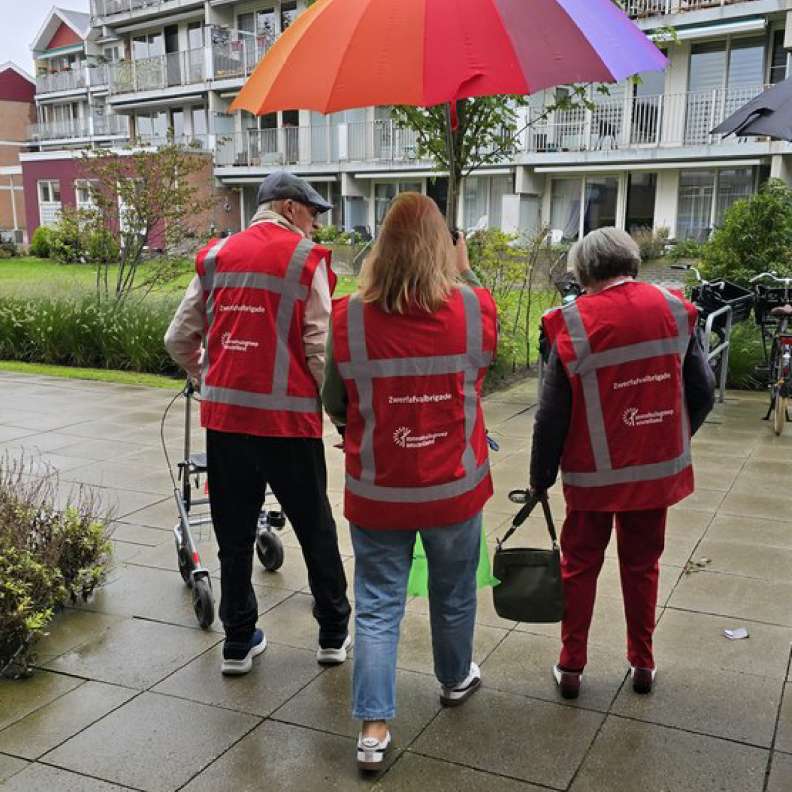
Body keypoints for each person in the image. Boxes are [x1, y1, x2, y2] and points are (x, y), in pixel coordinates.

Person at [322, 193, 498, 771]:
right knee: (453, 593)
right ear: (441, 247)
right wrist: (465, 268)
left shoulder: (347, 319)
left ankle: (374, 729)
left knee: (375, 606)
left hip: (379, 490)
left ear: (381, 247)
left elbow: (337, 403)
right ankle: (453, 679)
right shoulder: (473, 310)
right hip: (454, 487)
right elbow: (484, 360)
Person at [165, 171, 351, 676]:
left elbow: (179, 338)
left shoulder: (216, 256)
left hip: (226, 426)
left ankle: (238, 643)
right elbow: (319, 349)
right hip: (288, 425)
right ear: (289, 208)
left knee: (233, 533)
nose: (315, 226)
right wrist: (340, 416)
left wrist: (210, 376)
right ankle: (333, 633)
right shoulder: (303, 259)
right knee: (315, 528)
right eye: (312, 213)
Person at [530, 227, 715, 700]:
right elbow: (702, 390)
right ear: (630, 263)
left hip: (592, 475)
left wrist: (540, 478)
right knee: (642, 566)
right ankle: (643, 664)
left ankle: (571, 667)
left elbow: (552, 415)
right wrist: (670, 439)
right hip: (654, 473)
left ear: (585, 271)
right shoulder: (675, 310)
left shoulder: (571, 323)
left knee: (579, 566)